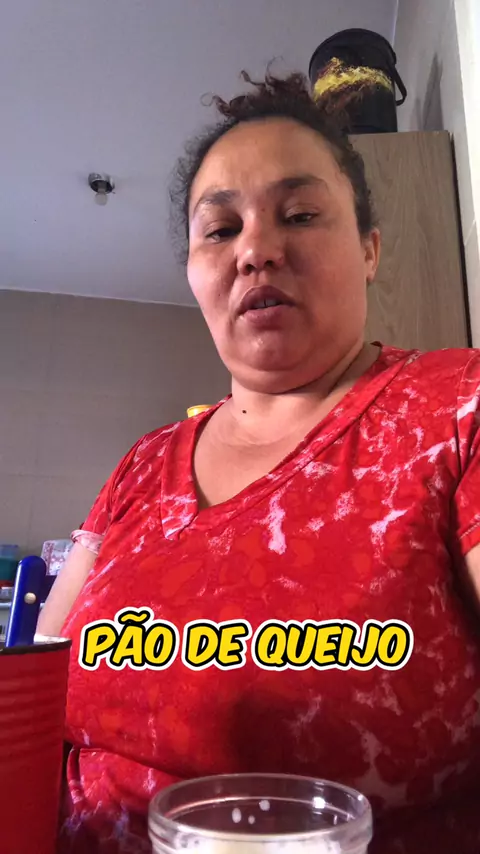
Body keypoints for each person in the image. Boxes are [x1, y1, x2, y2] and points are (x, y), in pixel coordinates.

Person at [39, 71, 480, 854]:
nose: (256, 251)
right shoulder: (143, 464)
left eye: (300, 215)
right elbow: (36, 695)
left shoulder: (457, 407)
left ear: (370, 249)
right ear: (192, 274)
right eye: (220, 230)